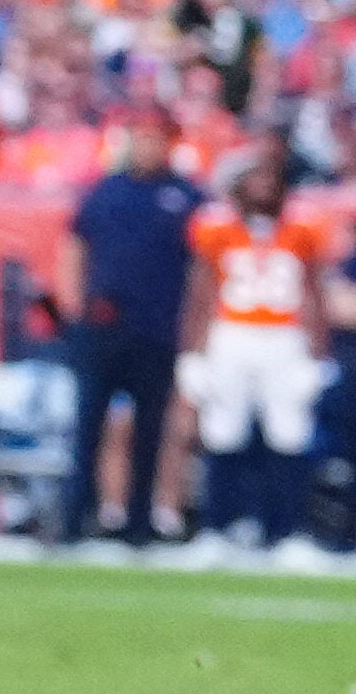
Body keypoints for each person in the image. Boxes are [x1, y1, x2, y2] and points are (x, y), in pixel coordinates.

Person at [57, 115, 205, 547]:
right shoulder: (105, 191)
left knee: (150, 431)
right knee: (88, 427)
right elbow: (75, 247)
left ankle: (140, 522)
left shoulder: (186, 197)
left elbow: (199, 269)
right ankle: (75, 517)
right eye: (141, 139)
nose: (147, 147)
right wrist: (73, 308)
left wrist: (193, 327)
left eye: (155, 139)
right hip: (103, 328)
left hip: (157, 331)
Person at [187, 144, 335, 551]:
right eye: (255, 180)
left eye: (270, 179)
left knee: (289, 435)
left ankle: (286, 534)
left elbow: (313, 291)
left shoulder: (303, 226)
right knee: (221, 433)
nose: (263, 187)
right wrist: (192, 353)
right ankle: (217, 530)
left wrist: (318, 355)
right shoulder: (216, 227)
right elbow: (201, 292)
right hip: (231, 334)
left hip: (285, 338)